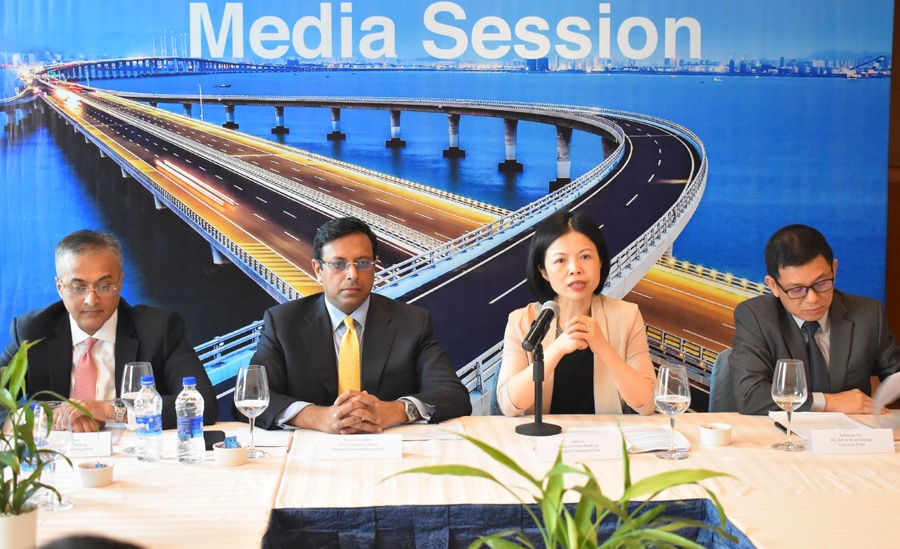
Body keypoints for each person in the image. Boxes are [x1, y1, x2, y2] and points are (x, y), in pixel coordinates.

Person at [246, 216, 471, 433]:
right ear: (318, 270)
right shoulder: (283, 323)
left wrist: (396, 411)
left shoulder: (412, 322)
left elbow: (453, 395)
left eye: (363, 263)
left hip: (391, 451)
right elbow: (251, 398)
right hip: (309, 454)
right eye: (338, 264)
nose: (352, 274)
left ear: (375, 266)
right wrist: (318, 417)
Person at [1, 230, 217, 431]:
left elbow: (202, 402)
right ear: (60, 287)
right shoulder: (34, 331)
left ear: (120, 283)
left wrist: (110, 409)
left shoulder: (158, 329)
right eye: (78, 287)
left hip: (136, 458)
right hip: (58, 459)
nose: (91, 299)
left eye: (104, 286)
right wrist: (38, 420)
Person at [496, 210, 657, 416]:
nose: (575, 268)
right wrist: (558, 348)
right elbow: (510, 407)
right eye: (560, 260)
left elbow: (648, 404)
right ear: (543, 271)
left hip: (607, 442)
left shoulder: (627, 316)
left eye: (585, 256)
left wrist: (604, 348)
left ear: (600, 261)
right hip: (543, 443)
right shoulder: (522, 321)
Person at [729, 224, 900, 415]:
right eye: (796, 289)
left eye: (821, 283)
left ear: (834, 270)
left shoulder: (867, 314)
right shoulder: (756, 317)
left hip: (851, 439)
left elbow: (896, 374)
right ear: (773, 286)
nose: (813, 299)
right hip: (782, 438)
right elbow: (750, 397)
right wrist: (829, 402)